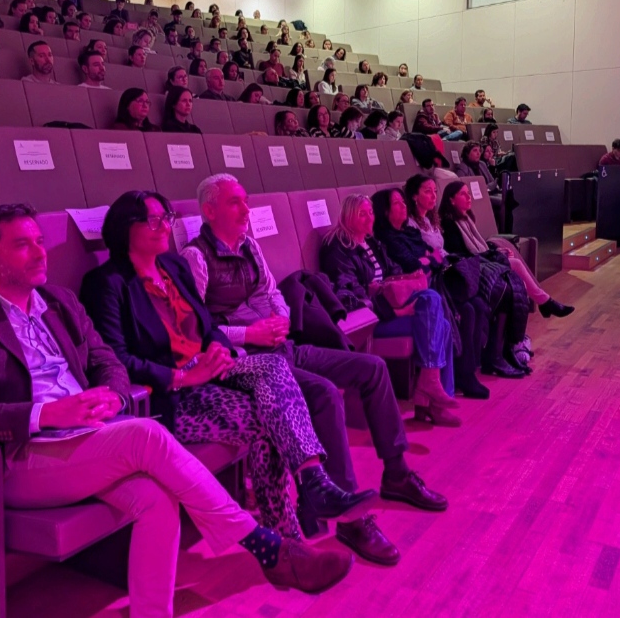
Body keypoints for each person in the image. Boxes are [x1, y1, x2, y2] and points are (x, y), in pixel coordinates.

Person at [0, 205, 354, 615]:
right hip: (24, 457)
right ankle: (267, 546)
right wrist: (48, 414)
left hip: (88, 438)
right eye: (22, 245)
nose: (40, 252)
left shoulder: (58, 302)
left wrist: (114, 397)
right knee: (146, 432)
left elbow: (107, 361)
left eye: (40, 241)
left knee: (156, 499)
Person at [80, 190, 372, 545]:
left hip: (211, 371)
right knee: (266, 421)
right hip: (171, 394)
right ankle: (290, 536)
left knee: (272, 367)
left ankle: (311, 485)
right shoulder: (106, 284)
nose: (164, 227)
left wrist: (219, 346)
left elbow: (207, 325)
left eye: (166, 219)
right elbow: (117, 360)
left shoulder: (173, 267)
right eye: (153, 220)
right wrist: (184, 376)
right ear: (125, 228)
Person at [182, 175, 447, 560]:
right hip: (250, 362)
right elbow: (197, 328)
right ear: (209, 210)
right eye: (235, 202)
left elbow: (272, 292)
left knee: (372, 368)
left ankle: (396, 472)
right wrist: (250, 333)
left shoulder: (250, 246)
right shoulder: (195, 258)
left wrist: (282, 318)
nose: (246, 209)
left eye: (246, 200)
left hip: (283, 345)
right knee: (324, 395)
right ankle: (350, 520)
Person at [321, 194, 465, 417]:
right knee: (435, 309)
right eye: (362, 214)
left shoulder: (371, 242)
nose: (369, 218)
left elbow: (393, 272)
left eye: (370, 212)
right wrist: (396, 311)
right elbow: (348, 296)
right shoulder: (338, 248)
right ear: (347, 216)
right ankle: (430, 396)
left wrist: (407, 279)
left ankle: (434, 398)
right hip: (372, 319)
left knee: (440, 320)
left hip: (390, 306)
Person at [372, 183, 527, 384]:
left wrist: (428, 259)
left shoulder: (411, 232)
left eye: (403, 202)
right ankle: (466, 373)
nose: (403, 206)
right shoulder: (390, 238)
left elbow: (435, 255)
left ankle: (486, 361)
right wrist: (429, 259)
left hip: (442, 275)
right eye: (397, 203)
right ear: (385, 211)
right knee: (472, 306)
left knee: (481, 303)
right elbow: (414, 264)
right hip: (429, 284)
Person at [439, 180, 574, 319]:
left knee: (507, 252)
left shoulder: (466, 219)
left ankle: (543, 302)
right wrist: (493, 254)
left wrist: (496, 251)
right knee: (515, 263)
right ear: (451, 200)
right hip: (469, 267)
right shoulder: (448, 223)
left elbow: (478, 247)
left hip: (480, 259)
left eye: (468, 193)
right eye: (463, 194)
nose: (469, 197)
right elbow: (463, 254)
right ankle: (545, 302)